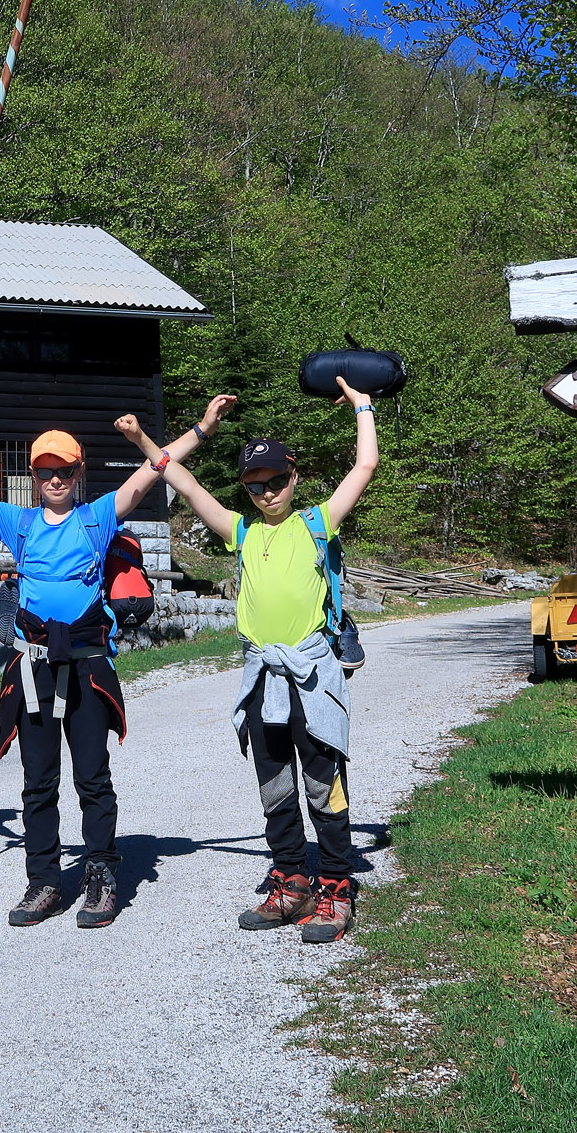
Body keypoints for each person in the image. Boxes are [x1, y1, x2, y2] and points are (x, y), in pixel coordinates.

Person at [0, 394, 235, 928]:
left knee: (92, 777)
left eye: (63, 469)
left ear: (77, 471)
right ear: (34, 474)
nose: (55, 478)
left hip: (87, 664)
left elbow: (152, 472)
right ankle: (44, 881)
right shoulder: (18, 523)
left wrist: (202, 428)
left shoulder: (98, 518)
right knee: (38, 783)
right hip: (33, 668)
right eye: (46, 470)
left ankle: (100, 876)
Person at [116, 376, 377, 943]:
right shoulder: (242, 532)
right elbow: (183, 483)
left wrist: (362, 407)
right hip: (263, 676)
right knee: (275, 783)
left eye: (277, 480)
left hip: (311, 675)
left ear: (293, 478)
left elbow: (364, 468)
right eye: (256, 485)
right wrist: (143, 440)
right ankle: (290, 877)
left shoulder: (316, 523)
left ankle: (336, 883)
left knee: (322, 780)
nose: (267, 492)